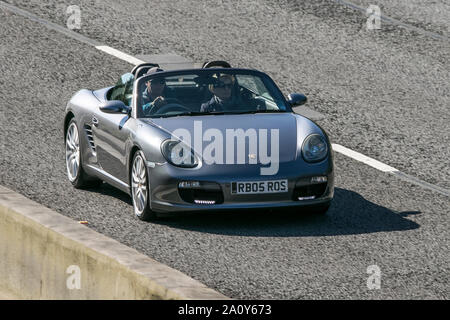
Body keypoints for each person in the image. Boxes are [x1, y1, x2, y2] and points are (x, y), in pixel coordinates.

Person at [200, 73, 264, 113]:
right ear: (213, 89)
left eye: (229, 85)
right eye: (222, 85)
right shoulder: (206, 108)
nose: (226, 89)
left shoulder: (246, 103)